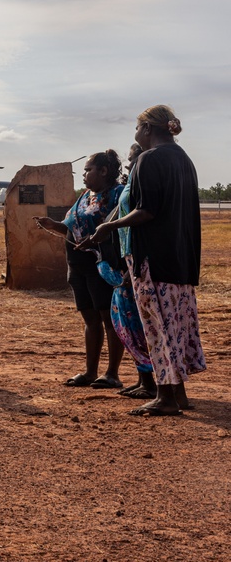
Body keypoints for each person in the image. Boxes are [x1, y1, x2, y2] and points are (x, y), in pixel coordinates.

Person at [89, 106, 205, 416]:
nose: (136, 134)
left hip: (152, 260)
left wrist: (109, 226)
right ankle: (178, 393)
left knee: (157, 328)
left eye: (137, 128)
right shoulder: (184, 160)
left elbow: (147, 210)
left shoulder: (148, 160)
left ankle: (165, 397)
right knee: (176, 328)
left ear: (146, 129)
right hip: (181, 259)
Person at [34, 151, 124, 389]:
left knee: (109, 318)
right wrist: (53, 226)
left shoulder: (118, 195)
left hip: (101, 266)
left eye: (88, 170)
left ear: (103, 171)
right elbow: (71, 228)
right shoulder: (85, 196)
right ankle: (90, 372)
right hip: (78, 265)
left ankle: (112, 373)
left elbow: (119, 231)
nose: (84, 174)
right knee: (90, 318)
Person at [94, 144, 155, 400]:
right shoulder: (130, 188)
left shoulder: (142, 187)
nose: (129, 165)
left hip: (134, 265)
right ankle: (144, 380)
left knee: (138, 327)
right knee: (126, 327)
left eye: (133, 159)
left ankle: (152, 383)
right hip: (123, 264)